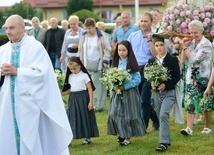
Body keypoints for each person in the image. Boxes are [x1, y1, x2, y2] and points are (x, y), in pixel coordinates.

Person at [0, 15, 72, 155]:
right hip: (7, 104)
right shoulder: (2, 50)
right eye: (6, 28)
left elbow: (42, 75)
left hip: (29, 105)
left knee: (30, 138)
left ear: (22, 28)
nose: (8, 31)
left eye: (12, 28)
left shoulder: (35, 47)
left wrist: (18, 72)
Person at [107, 40, 146, 146]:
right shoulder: (115, 62)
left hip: (129, 93)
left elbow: (137, 79)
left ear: (128, 50)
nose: (121, 52)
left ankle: (127, 137)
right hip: (117, 92)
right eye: (119, 50)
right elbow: (111, 77)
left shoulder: (131, 62)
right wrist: (113, 86)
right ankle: (121, 133)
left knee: (128, 114)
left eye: (124, 50)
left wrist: (125, 86)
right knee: (115, 112)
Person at [147, 34, 180, 152]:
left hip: (169, 92)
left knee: (163, 114)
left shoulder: (172, 59)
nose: (159, 48)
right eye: (156, 45)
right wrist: (152, 82)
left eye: (161, 45)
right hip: (156, 93)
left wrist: (166, 85)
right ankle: (165, 139)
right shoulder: (152, 61)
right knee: (160, 116)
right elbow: (149, 76)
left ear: (165, 45)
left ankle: (163, 142)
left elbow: (177, 76)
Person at [127, 12, 159, 131]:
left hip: (148, 70)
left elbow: (156, 54)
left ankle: (142, 127)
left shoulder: (156, 36)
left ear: (151, 22)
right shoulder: (132, 36)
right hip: (134, 71)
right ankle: (156, 120)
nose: (143, 23)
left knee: (144, 99)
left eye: (146, 21)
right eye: (142, 21)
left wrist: (150, 40)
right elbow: (128, 53)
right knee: (138, 99)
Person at [180, 20, 212, 135]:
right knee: (190, 102)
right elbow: (183, 60)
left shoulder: (207, 44)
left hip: (204, 78)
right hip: (192, 77)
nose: (193, 35)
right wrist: (184, 47)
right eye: (191, 32)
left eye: (195, 33)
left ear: (201, 31)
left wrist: (184, 48)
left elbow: (194, 59)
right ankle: (189, 128)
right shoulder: (191, 43)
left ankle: (207, 126)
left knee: (205, 103)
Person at [61, 56, 99, 144]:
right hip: (73, 98)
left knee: (84, 116)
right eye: (71, 69)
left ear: (80, 66)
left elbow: (89, 89)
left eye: (74, 68)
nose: (73, 71)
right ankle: (69, 138)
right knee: (71, 117)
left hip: (83, 98)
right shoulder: (70, 76)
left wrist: (91, 101)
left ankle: (87, 137)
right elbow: (72, 88)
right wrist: (62, 93)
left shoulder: (84, 76)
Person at [77, 18, 111, 111]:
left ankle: (98, 106)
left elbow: (107, 49)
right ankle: (89, 103)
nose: (88, 30)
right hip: (85, 64)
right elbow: (80, 50)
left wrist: (105, 60)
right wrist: (78, 61)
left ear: (94, 26)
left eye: (90, 28)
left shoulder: (101, 35)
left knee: (97, 86)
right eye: (86, 28)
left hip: (98, 64)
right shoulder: (83, 36)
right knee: (86, 86)